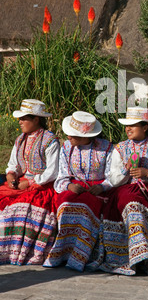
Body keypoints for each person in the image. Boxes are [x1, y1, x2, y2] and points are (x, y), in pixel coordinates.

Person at [87, 106, 148, 276]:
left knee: (136, 204)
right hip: (127, 189)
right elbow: (113, 179)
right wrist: (124, 170)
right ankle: (133, 256)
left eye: (133, 125)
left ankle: (147, 255)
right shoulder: (120, 148)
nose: (128, 128)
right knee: (130, 203)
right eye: (127, 125)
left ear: (145, 127)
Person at [44, 111, 113, 271]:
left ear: (86, 136)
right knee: (66, 204)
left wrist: (102, 186)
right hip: (74, 186)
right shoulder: (66, 148)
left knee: (86, 209)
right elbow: (62, 175)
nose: (68, 137)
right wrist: (69, 186)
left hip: (98, 189)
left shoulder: (106, 148)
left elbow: (112, 176)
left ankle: (80, 255)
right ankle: (62, 252)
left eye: (72, 135)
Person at [0, 99, 60, 265]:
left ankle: (14, 253)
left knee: (18, 211)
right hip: (20, 184)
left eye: (24, 118)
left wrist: (32, 182)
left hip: (42, 186)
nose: (20, 122)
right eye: (20, 118)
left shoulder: (50, 140)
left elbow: (52, 171)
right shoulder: (20, 139)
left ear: (36, 119)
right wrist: (11, 175)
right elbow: (14, 164)